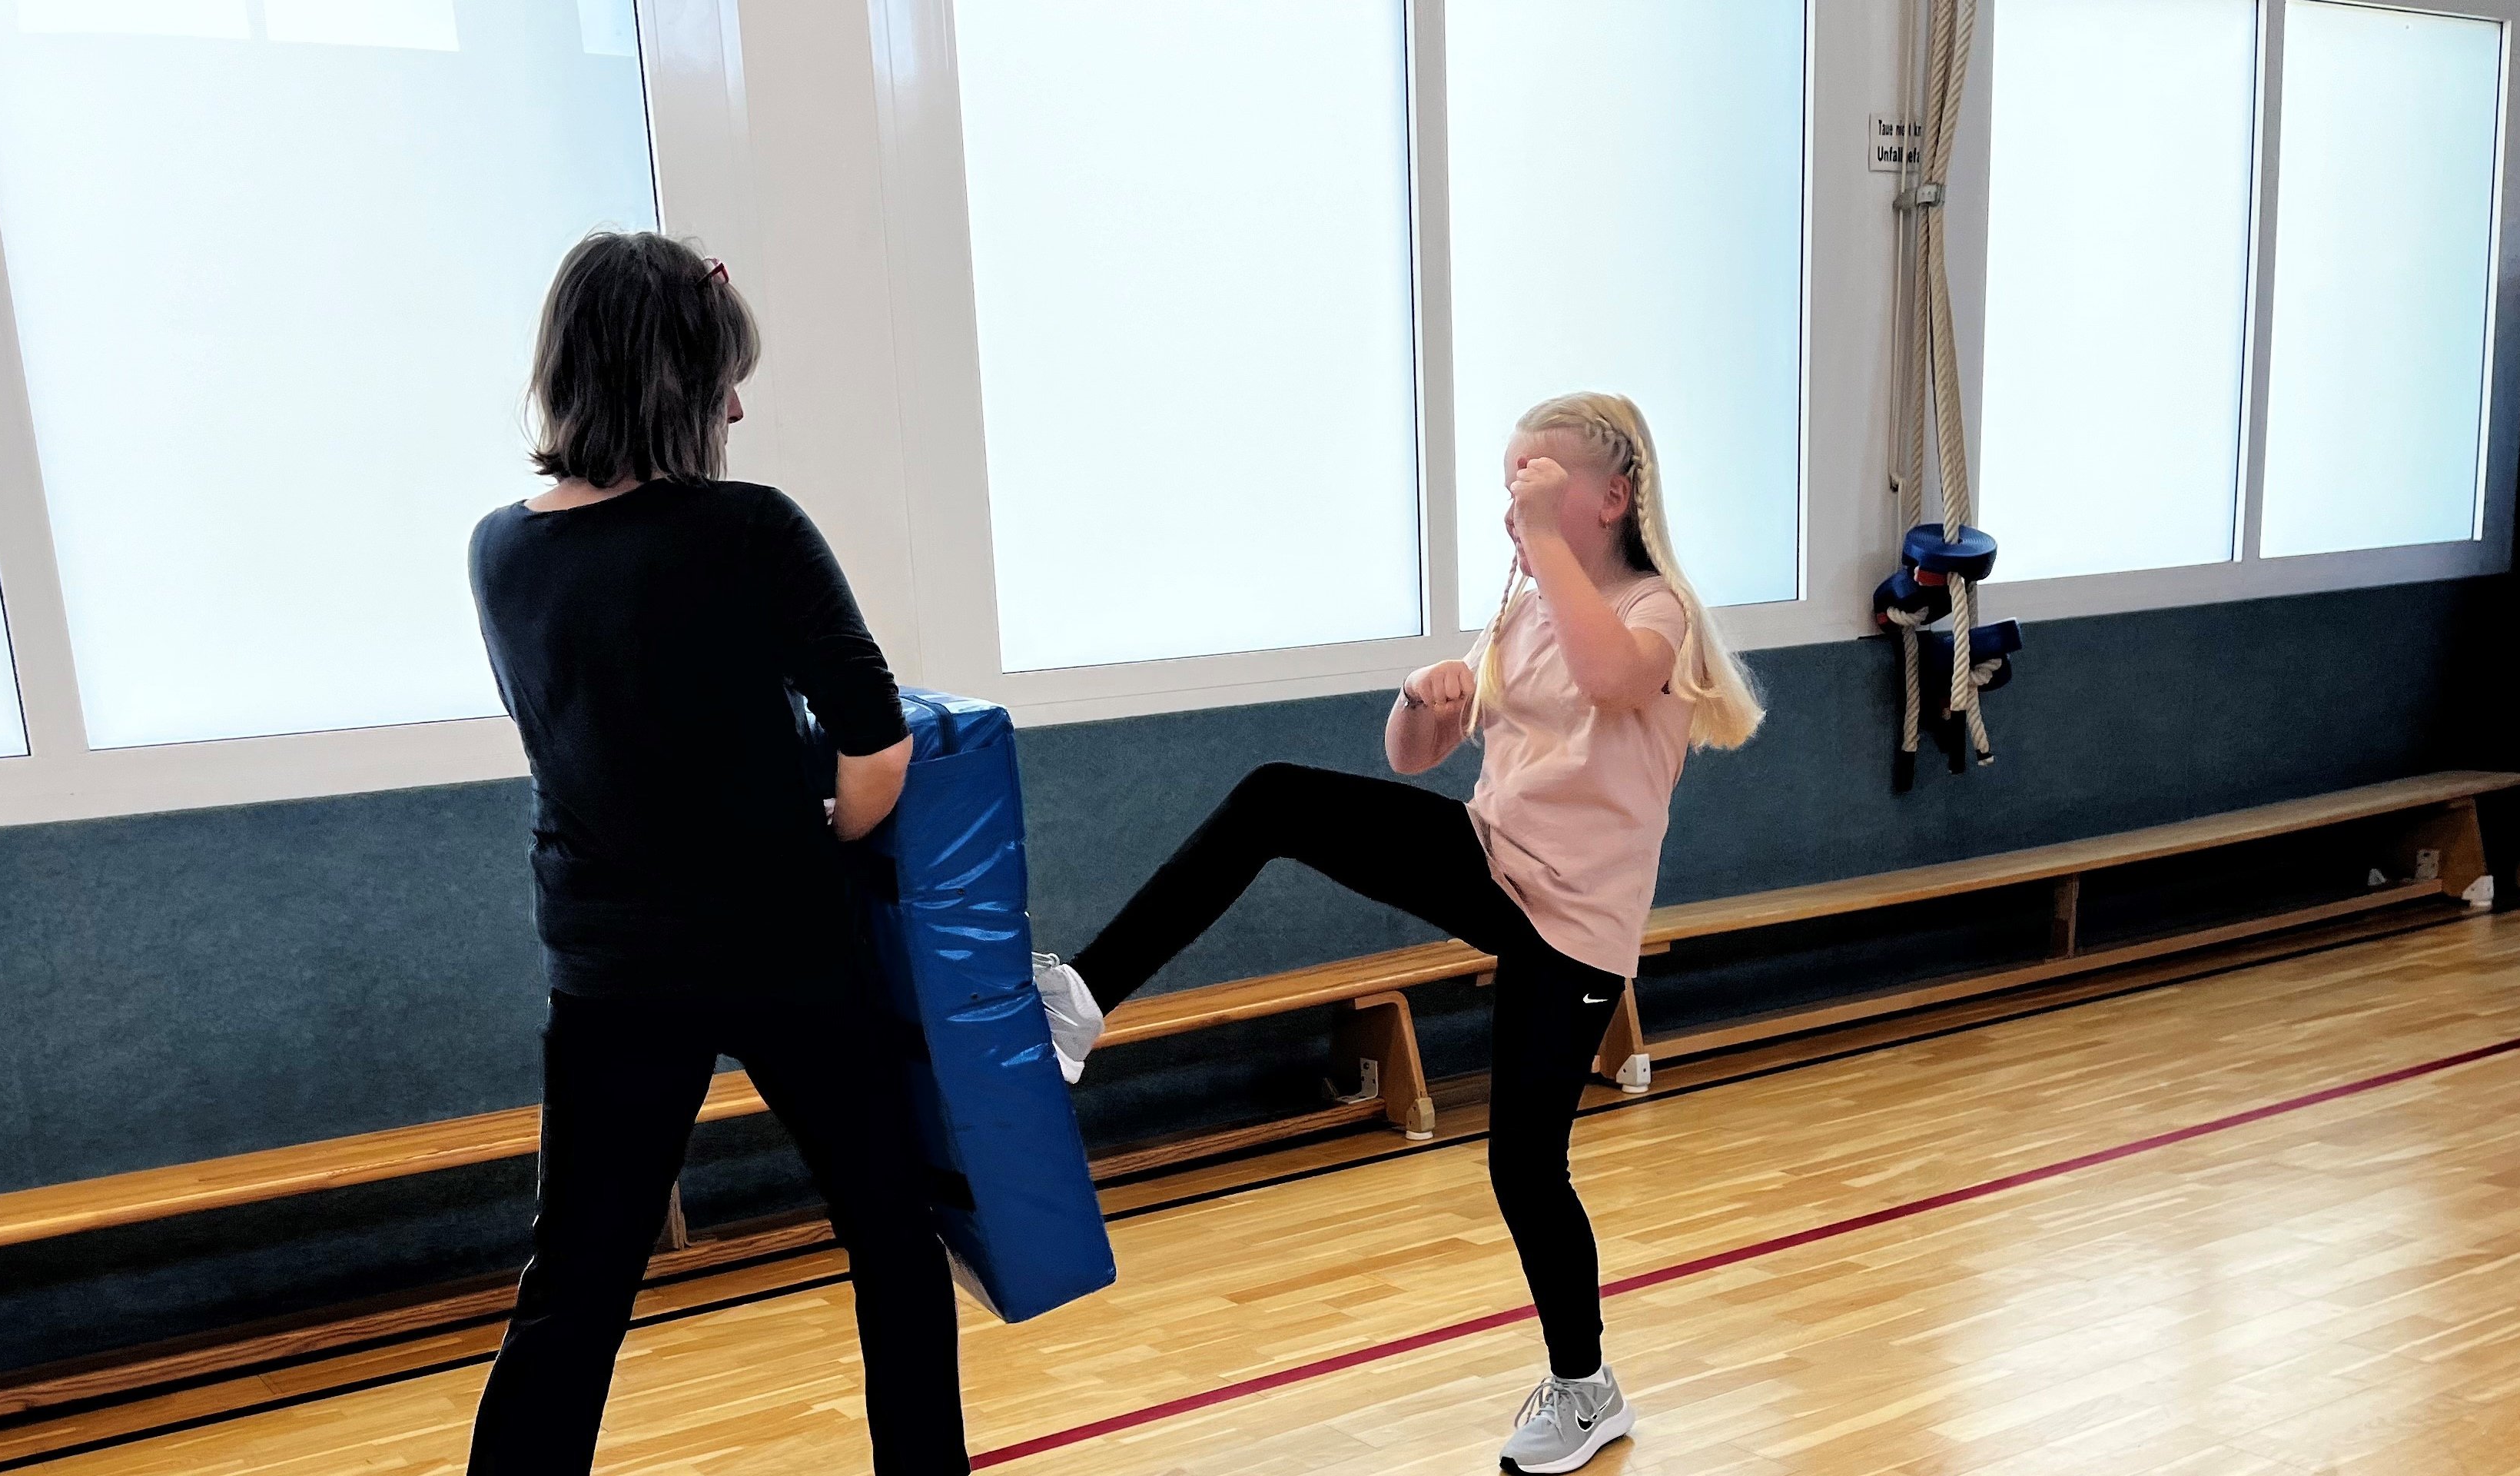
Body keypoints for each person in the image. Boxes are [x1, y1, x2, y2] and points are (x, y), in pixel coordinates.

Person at [1031, 391, 1761, 1474]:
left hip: (1577, 926)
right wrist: (1428, 700)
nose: (1516, 502)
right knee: (1278, 795)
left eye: (1540, 483)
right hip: (1493, 858)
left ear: (1612, 498)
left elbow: (1610, 678)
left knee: (1525, 1166)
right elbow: (1415, 759)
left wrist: (1544, 548)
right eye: (1510, 481)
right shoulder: (1526, 607)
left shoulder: (1655, 615)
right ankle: (1083, 1001)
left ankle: (1585, 1388)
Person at [463, 231, 965, 1475]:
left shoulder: (500, 545)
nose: (738, 404)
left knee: (576, 1278)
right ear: (671, 381)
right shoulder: (745, 527)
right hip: (784, 944)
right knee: (892, 1241)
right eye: (721, 377)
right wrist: (827, 842)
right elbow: (876, 743)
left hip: (607, 964)